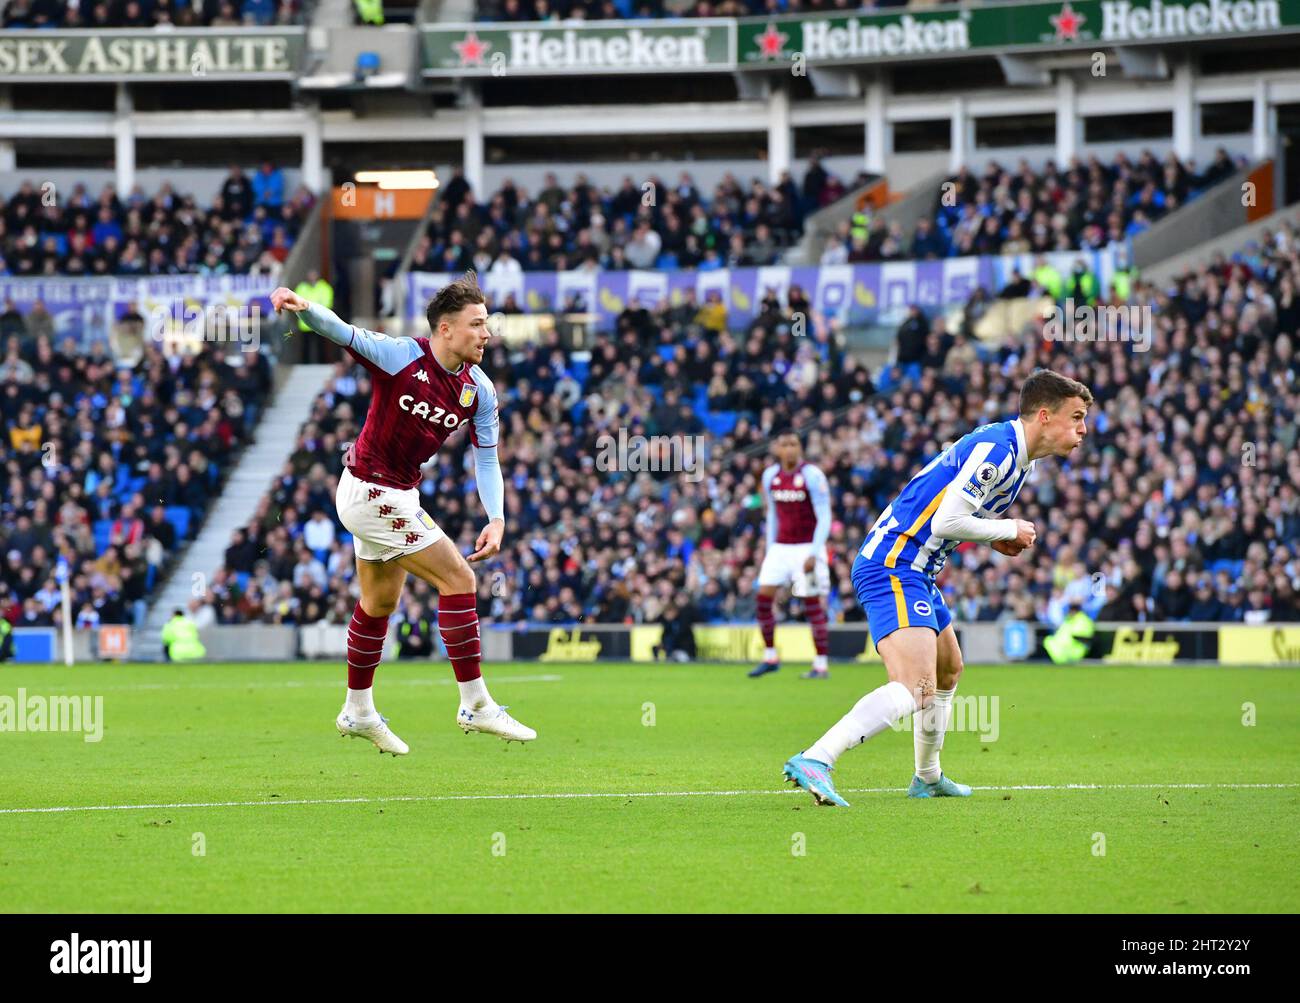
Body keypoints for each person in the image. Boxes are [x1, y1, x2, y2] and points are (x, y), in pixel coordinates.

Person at [783, 368, 1091, 807]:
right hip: (894, 563)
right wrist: (1005, 527)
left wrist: (994, 535)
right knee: (915, 686)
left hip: (919, 568)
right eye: (1076, 417)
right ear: (1044, 415)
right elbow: (947, 520)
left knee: (948, 669)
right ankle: (818, 758)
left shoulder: (1022, 458)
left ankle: (927, 777)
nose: (1083, 430)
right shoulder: (999, 452)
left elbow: (951, 515)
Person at [270, 272, 535, 756]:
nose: (487, 333)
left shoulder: (479, 390)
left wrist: (496, 517)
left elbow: (488, 457)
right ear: (446, 329)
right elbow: (341, 330)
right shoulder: (400, 356)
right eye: (477, 324)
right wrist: (302, 306)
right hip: (370, 490)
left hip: (399, 495)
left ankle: (358, 710)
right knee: (459, 579)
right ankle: (475, 704)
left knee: (379, 604)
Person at [748, 429, 834, 680]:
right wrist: (769, 547)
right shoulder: (770, 476)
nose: (789, 449)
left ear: (800, 448)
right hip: (780, 548)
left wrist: (816, 551)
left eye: (794, 444)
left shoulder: (811, 474)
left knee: (811, 603)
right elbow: (772, 514)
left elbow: (824, 515)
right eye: (785, 444)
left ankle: (820, 664)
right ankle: (770, 657)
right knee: (763, 599)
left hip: (806, 547)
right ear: (777, 449)